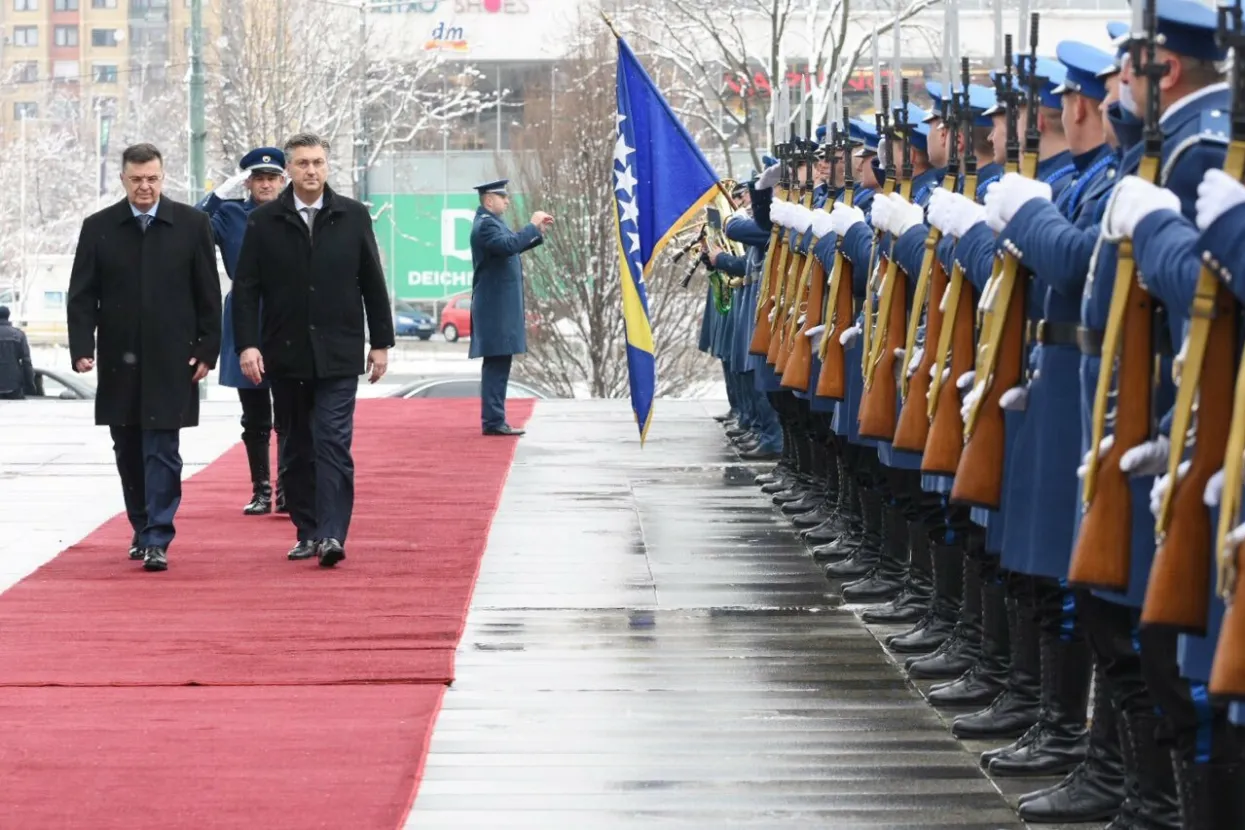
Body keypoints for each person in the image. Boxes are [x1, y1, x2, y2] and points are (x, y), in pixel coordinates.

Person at [232, 132, 394, 568]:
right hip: (285, 354)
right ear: (290, 169)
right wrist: (247, 345)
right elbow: (246, 289)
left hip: (339, 352)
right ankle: (306, 530)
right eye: (302, 163)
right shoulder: (265, 222)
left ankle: (332, 534)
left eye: (318, 162)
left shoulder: (353, 216)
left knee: (333, 442)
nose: (311, 171)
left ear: (327, 166)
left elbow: (372, 283)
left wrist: (380, 342)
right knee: (297, 447)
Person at [66, 142, 222, 572]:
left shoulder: (192, 225)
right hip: (119, 359)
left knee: (163, 448)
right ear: (123, 179)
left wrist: (208, 348)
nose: (145, 187)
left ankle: (158, 535)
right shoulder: (99, 227)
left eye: (152, 178)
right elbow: (81, 296)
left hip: (174, 359)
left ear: (163, 177)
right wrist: (82, 347)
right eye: (136, 179)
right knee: (128, 448)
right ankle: (140, 525)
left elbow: (209, 294)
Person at [196, 146, 289, 516]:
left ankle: (287, 488)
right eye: (258, 178)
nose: (265, 184)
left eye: (272, 178)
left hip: (285, 311)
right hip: (246, 312)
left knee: (288, 410)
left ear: (282, 181)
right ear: (247, 181)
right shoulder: (232, 215)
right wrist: (218, 195)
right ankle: (261, 488)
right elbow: (193, 225)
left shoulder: (293, 214)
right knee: (254, 414)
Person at [468, 178, 553, 436]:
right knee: (496, 364)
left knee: (500, 363)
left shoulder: (493, 223)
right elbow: (508, 246)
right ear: (488, 200)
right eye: (502, 197)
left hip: (498, 308)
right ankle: (493, 422)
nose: (507, 200)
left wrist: (534, 233)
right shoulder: (485, 226)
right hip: (494, 309)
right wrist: (531, 225)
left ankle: (495, 419)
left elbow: (512, 245)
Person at [0, 305, 36, 400]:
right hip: (14, 386)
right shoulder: (18, 335)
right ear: (8, 316)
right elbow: (26, 362)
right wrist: (30, 385)